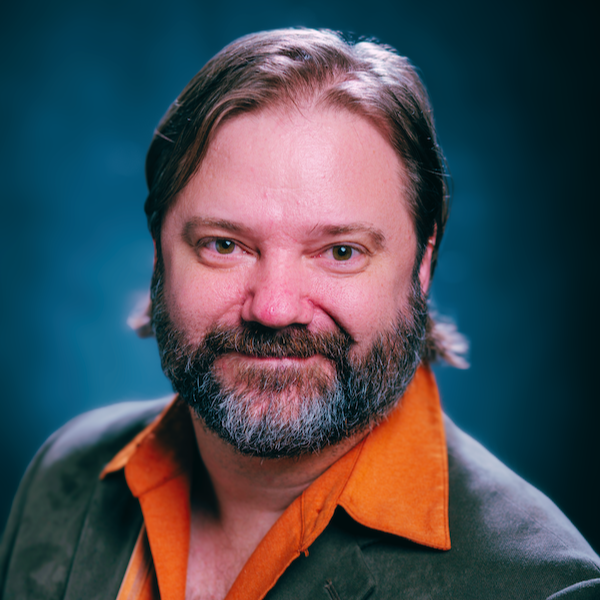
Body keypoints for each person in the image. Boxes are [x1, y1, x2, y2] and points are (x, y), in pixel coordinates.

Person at [1, 28, 599, 600]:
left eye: (340, 252)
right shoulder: (66, 474)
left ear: (422, 263)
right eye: (224, 245)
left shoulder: (541, 587)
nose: (275, 308)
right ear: (160, 253)